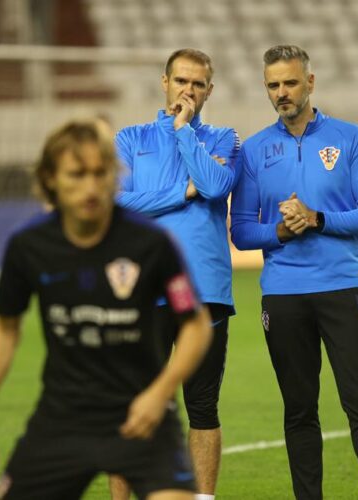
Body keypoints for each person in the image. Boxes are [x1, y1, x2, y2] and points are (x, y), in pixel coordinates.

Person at [0, 118, 213, 500]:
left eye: (100, 173)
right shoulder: (29, 246)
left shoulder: (151, 244)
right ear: (50, 179)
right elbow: (5, 328)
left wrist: (160, 393)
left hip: (144, 413)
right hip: (63, 418)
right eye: (77, 175)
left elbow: (195, 324)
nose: (91, 187)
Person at [230, 45, 358, 500]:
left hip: (345, 288)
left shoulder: (349, 137)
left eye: (290, 83)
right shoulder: (254, 150)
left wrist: (318, 218)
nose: (281, 93)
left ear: (310, 82)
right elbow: (241, 231)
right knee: (299, 411)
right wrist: (282, 230)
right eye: (273, 85)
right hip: (284, 295)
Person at [111, 48, 240, 500]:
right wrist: (180, 192)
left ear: (209, 91)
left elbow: (215, 186)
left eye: (198, 84)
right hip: (145, 290)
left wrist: (184, 131)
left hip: (204, 290)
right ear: (164, 82)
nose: (188, 90)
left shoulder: (224, 139)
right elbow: (116, 205)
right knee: (133, 405)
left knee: (203, 407)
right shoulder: (130, 139)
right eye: (181, 80)